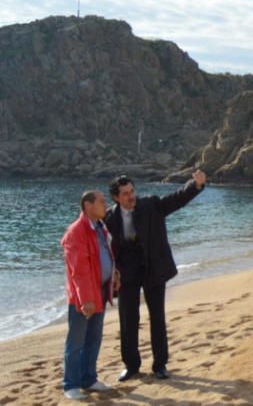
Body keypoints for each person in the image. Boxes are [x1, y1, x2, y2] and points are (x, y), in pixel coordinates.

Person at [106, 170, 206, 382]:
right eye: (125, 193)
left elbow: (175, 200)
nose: (131, 196)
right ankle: (131, 366)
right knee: (128, 320)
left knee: (157, 318)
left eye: (132, 191)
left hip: (153, 268)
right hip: (127, 274)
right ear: (115, 197)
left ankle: (160, 365)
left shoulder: (150, 205)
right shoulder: (109, 217)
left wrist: (195, 186)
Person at [61, 190, 119, 401]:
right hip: (84, 296)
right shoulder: (76, 232)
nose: (106, 205)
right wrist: (86, 299)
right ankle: (71, 384)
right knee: (76, 342)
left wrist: (114, 274)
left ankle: (89, 379)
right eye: (102, 202)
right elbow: (79, 271)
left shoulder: (100, 227)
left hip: (101, 290)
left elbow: (105, 255)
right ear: (88, 205)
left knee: (94, 338)